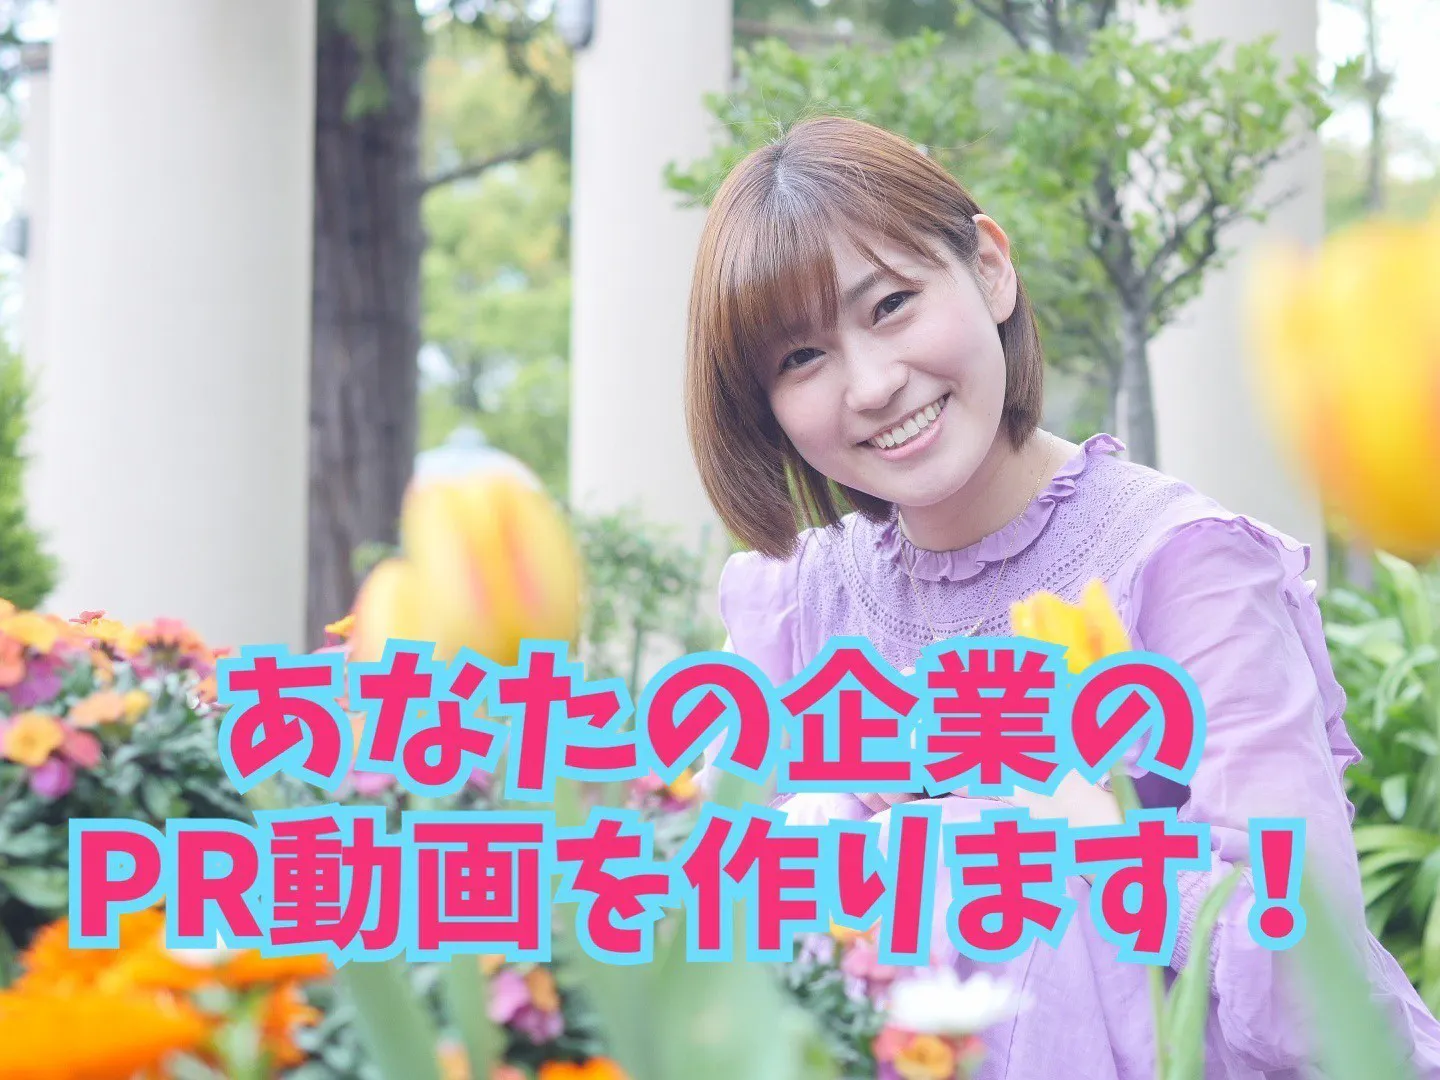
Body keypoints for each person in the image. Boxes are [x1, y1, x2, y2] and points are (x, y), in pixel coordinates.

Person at [683, 114, 1440, 1079]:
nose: (871, 385)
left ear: (990, 267)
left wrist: (1083, 845)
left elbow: (1310, 980)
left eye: (892, 305)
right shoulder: (802, 604)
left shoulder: (1182, 568)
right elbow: (710, 940)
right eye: (801, 358)